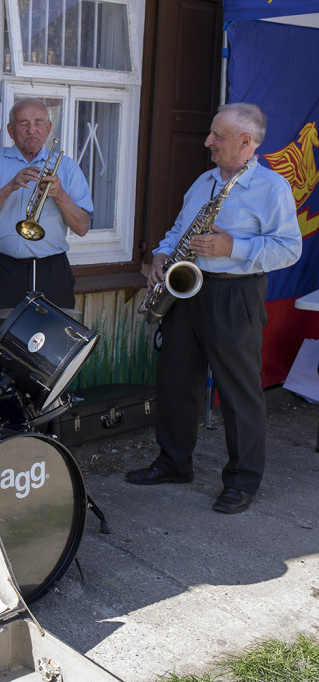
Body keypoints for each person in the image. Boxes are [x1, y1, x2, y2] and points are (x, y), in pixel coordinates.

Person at [126, 102, 301, 514]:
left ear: (246, 142)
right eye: (211, 133)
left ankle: (242, 481)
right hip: (189, 292)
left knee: (238, 391)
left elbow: (289, 249)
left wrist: (233, 247)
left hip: (235, 294)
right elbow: (178, 229)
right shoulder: (204, 181)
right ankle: (173, 463)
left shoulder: (272, 188)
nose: (208, 142)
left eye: (217, 136)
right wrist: (163, 254)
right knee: (175, 380)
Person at [0, 98, 93, 347]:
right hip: (2, 269)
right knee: (0, 347)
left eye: (38, 123)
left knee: (56, 347)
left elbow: (82, 227)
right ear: (10, 130)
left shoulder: (67, 168)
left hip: (52, 269)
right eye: (23, 123)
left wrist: (60, 195)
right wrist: (10, 186)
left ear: (48, 129)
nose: (31, 129)